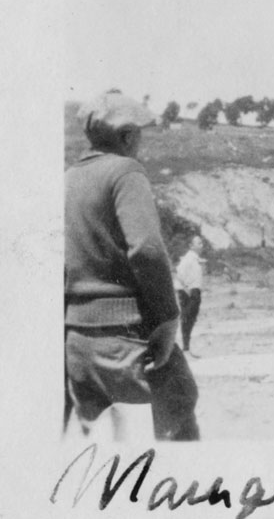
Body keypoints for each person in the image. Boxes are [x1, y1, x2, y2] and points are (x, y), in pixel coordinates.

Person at [64, 90, 199, 440]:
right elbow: (148, 250)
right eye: (138, 132)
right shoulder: (125, 171)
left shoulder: (67, 179)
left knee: (102, 455)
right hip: (127, 339)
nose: (141, 140)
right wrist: (169, 319)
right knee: (176, 424)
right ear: (126, 136)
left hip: (77, 341)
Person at [175, 236, 205, 354]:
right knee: (187, 319)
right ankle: (185, 348)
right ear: (191, 246)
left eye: (202, 243)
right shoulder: (188, 258)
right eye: (199, 243)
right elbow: (179, 273)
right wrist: (187, 289)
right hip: (189, 292)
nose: (201, 245)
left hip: (194, 291)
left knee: (191, 319)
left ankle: (187, 347)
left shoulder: (196, 259)